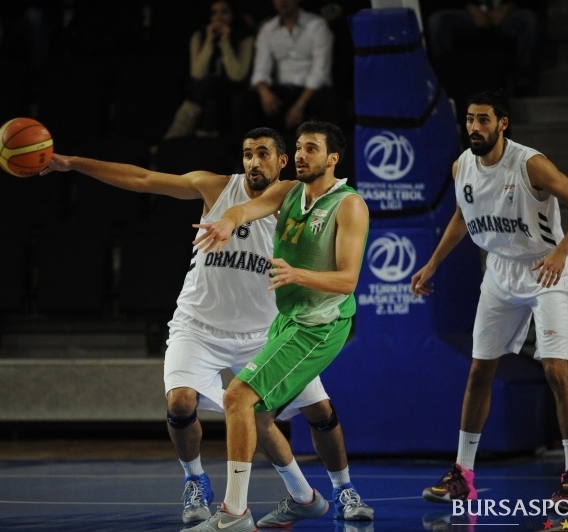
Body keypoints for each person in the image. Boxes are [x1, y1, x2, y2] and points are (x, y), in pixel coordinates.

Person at [39, 126, 373, 527]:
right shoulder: (217, 188)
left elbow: (343, 270)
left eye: (263, 153)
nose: (253, 162)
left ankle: (340, 490)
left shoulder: (296, 200)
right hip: (199, 325)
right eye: (247, 154)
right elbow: (143, 179)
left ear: (282, 161)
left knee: (317, 410)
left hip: (264, 331)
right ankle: (196, 481)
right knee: (181, 403)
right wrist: (71, 163)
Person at [410, 90, 568, 503]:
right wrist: (433, 263)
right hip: (499, 271)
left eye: (483, 120)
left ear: (502, 124)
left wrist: (561, 252)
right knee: (479, 372)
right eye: (470, 119)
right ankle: (462, 474)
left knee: (555, 370)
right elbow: (462, 216)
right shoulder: (462, 165)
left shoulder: (530, 164)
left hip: (544, 268)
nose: (475, 127)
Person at [186, 120, 370, 531]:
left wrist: (296, 274)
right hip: (286, 321)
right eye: (299, 147)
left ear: (332, 158)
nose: (301, 155)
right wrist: (228, 222)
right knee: (261, 418)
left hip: (320, 325)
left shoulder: (349, 205)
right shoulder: (289, 192)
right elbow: (247, 208)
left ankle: (235, 514)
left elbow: (347, 280)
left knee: (238, 399)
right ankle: (306, 500)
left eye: (311, 148)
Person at [233, 0, 344, 167]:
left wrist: (299, 105)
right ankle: (247, 163)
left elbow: (320, 71)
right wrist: (264, 93)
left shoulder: (317, 25)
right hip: (281, 92)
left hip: (311, 93)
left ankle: (329, 166)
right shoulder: (268, 29)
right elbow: (260, 70)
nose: (283, 2)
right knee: (244, 100)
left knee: (330, 99)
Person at [161, 0, 254, 140]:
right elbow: (197, 74)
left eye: (224, 12)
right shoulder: (199, 36)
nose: (219, 17)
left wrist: (225, 42)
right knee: (211, 103)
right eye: (214, 13)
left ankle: (175, 134)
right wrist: (209, 41)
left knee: (210, 83)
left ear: (233, 15)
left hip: (233, 89)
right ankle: (194, 143)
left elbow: (237, 75)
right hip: (204, 90)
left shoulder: (245, 38)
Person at [427, 0, 541, 96]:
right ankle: (445, 80)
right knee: (437, 21)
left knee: (529, 19)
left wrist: (505, 8)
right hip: (469, 13)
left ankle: (523, 79)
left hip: (506, 13)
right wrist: (471, 8)